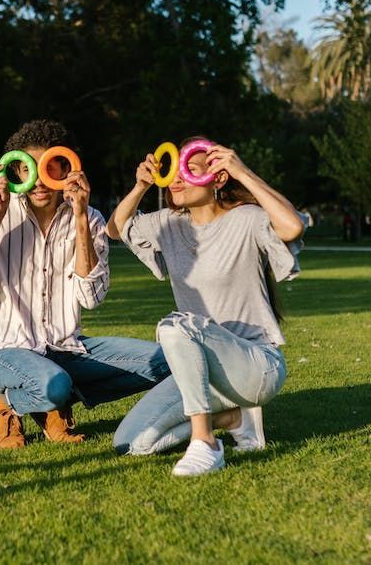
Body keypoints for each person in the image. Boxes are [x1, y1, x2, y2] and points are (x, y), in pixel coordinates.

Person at [0, 120, 169, 449]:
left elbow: (91, 297)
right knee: (53, 384)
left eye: (50, 168)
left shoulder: (90, 218)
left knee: (167, 363)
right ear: (13, 170)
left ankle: (49, 400)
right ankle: (15, 403)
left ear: (68, 169)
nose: (38, 180)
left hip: (66, 347)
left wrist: (80, 217)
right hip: (2, 350)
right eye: (27, 169)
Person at [107, 137, 305, 476]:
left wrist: (243, 171)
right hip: (201, 372)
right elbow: (115, 229)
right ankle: (234, 418)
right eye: (174, 171)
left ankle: (206, 443)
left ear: (218, 177)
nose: (177, 178)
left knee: (175, 326)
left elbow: (292, 226)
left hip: (255, 366)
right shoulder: (168, 224)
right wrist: (141, 186)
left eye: (190, 169)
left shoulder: (247, 219)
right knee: (131, 443)